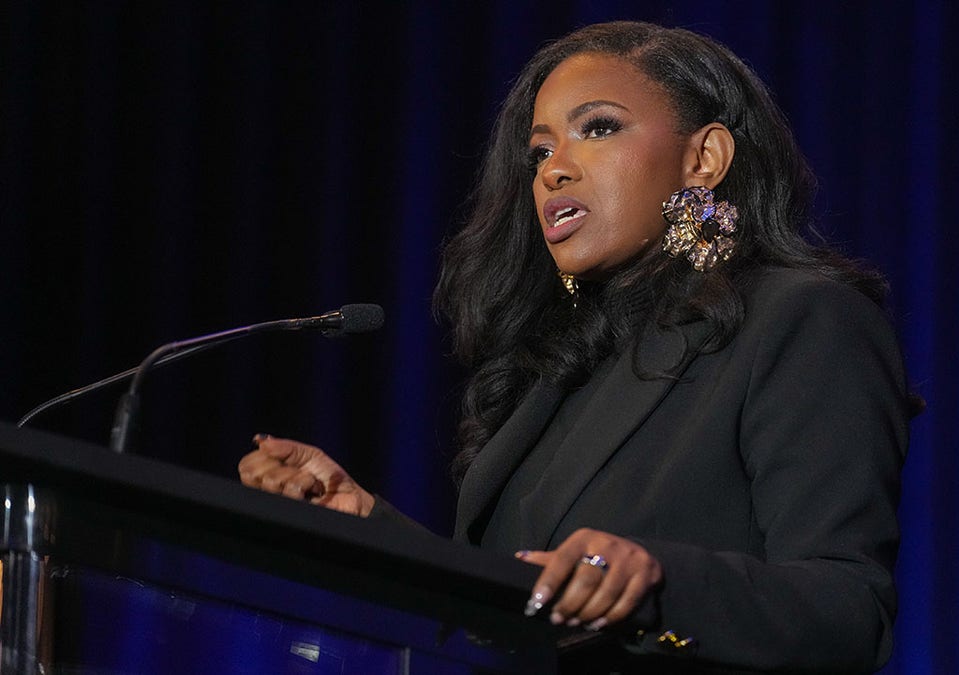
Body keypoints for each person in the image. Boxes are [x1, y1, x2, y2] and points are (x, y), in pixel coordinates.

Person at [238, 21, 914, 673]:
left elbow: (849, 608)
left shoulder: (803, 318)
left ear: (703, 157)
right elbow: (510, 604)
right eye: (539, 151)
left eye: (598, 128)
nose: (553, 170)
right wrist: (367, 527)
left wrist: (655, 585)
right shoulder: (556, 369)